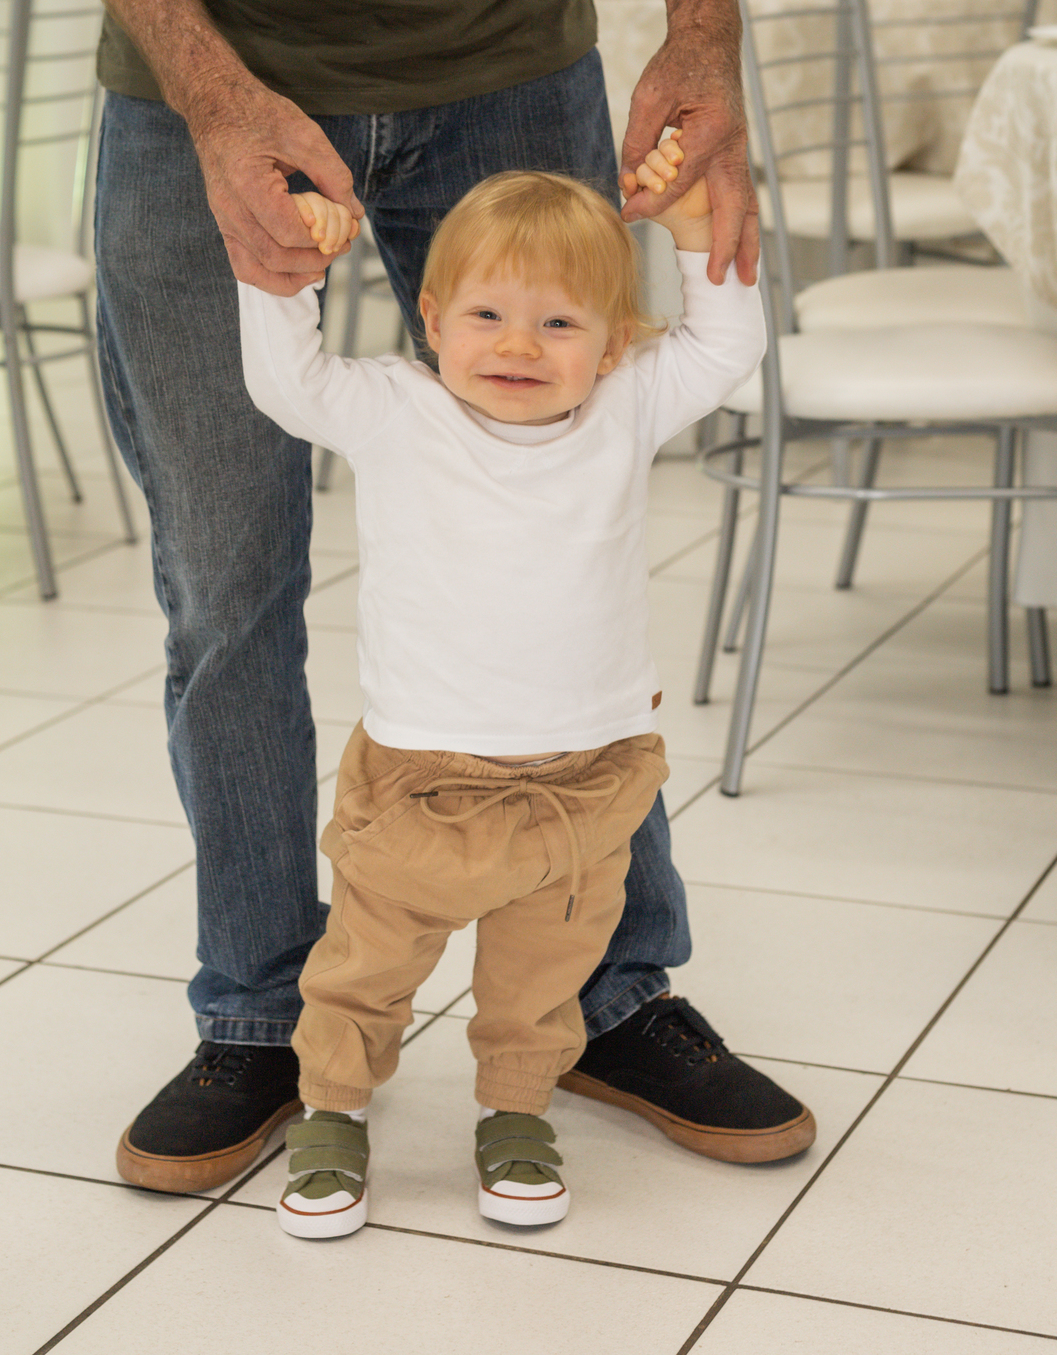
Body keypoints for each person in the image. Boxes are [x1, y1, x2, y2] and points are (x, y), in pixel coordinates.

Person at [22, 0, 816, 1195]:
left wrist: (703, 25)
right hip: (202, 78)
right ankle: (261, 1013)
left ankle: (609, 995)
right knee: (224, 586)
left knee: (570, 541)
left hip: (505, 57)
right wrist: (215, 97)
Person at [242, 138, 764, 1239]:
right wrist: (293, 271)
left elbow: (727, 349)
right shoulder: (395, 410)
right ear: (432, 320)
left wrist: (696, 242)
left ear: (614, 343)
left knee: (542, 979)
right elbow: (285, 382)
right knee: (365, 968)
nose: (519, 344)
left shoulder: (625, 407)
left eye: (560, 323)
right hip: (423, 778)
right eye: (487, 315)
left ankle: (516, 1113)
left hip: (587, 780)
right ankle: (333, 1108)